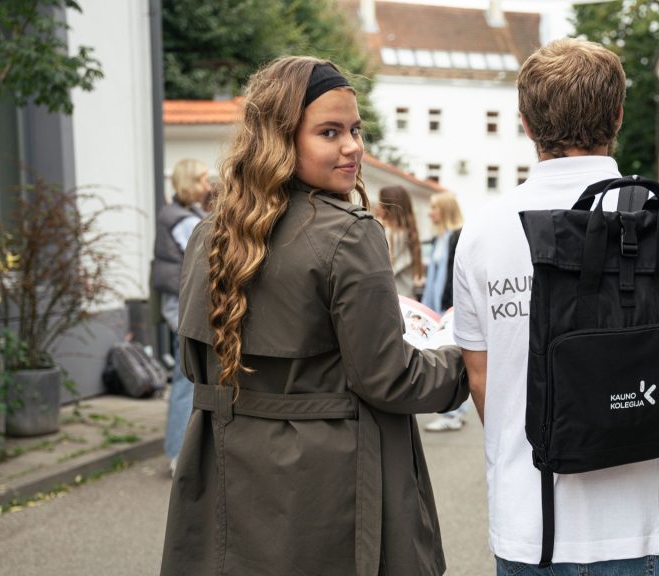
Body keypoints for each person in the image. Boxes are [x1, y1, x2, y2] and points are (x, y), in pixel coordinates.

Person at [160, 56, 468, 576]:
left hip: (224, 470)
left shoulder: (208, 235)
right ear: (280, 139)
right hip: (325, 487)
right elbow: (390, 379)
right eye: (329, 132)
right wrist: (461, 362)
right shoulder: (350, 233)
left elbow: (195, 365)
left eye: (354, 129)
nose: (352, 147)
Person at [452, 38, 659, 575]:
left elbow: (483, 379)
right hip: (634, 528)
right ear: (618, 113)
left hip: (529, 523)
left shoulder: (484, 231)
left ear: (526, 123)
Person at [151, 158, 210, 476]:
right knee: (187, 380)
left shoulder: (178, 215)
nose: (207, 186)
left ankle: (181, 450)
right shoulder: (183, 221)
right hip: (185, 308)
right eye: (202, 179)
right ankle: (178, 453)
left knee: (187, 378)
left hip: (178, 306)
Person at [422, 191, 468, 432]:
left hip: (450, 308)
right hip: (439, 308)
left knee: (449, 359)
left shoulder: (457, 236)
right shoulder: (440, 237)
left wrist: (450, 308)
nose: (430, 213)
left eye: (434, 208)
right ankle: (454, 411)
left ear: (445, 210)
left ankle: (452, 414)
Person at [375, 185, 424, 299]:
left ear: (388, 206)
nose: (377, 205)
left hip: (393, 299)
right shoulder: (409, 232)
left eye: (380, 201)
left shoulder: (389, 233)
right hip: (406, 297)